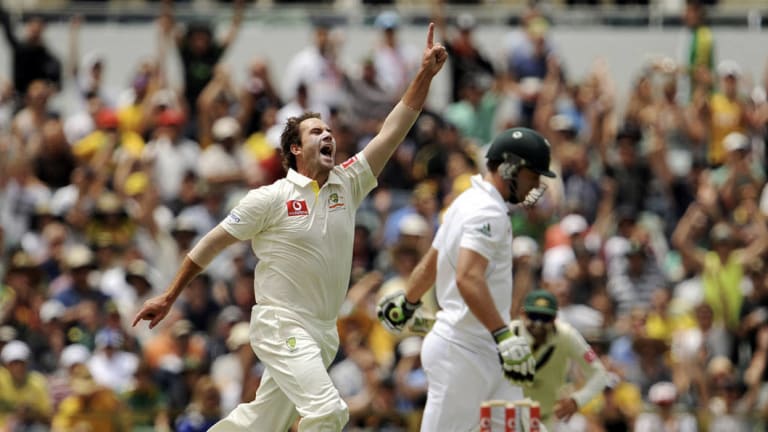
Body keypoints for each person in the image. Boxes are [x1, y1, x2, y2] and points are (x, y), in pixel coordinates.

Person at [132, 23, 447, 432]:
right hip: (282, 325)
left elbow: (394, 127)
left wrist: (423, 74)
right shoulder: (270, 198)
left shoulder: (348, 183)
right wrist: (171, 295)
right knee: (328, 413)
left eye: (330, 130)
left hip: (322, 333)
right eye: (317, 131)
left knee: (257, 424)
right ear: (295, 149)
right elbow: (211, 243)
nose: (328, 134)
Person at [378, 126, 556, 431]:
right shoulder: (486, 212)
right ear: (510, 167)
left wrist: (407, 303)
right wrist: (504, 335)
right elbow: (467, 278)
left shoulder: (467, 202)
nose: (536, 184)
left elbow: (433, 261)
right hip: (462, 352)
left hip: (483, 350)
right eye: (533, 174)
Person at [510, 289, 610, 430]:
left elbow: (599, 375)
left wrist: (577, 400)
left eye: (545, 318)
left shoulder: (567, 336)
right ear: (522, 314)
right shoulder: (508, 334)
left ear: (555, 317)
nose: (538, 324)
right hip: (507, 419)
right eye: (534, 316)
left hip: (545, 420)